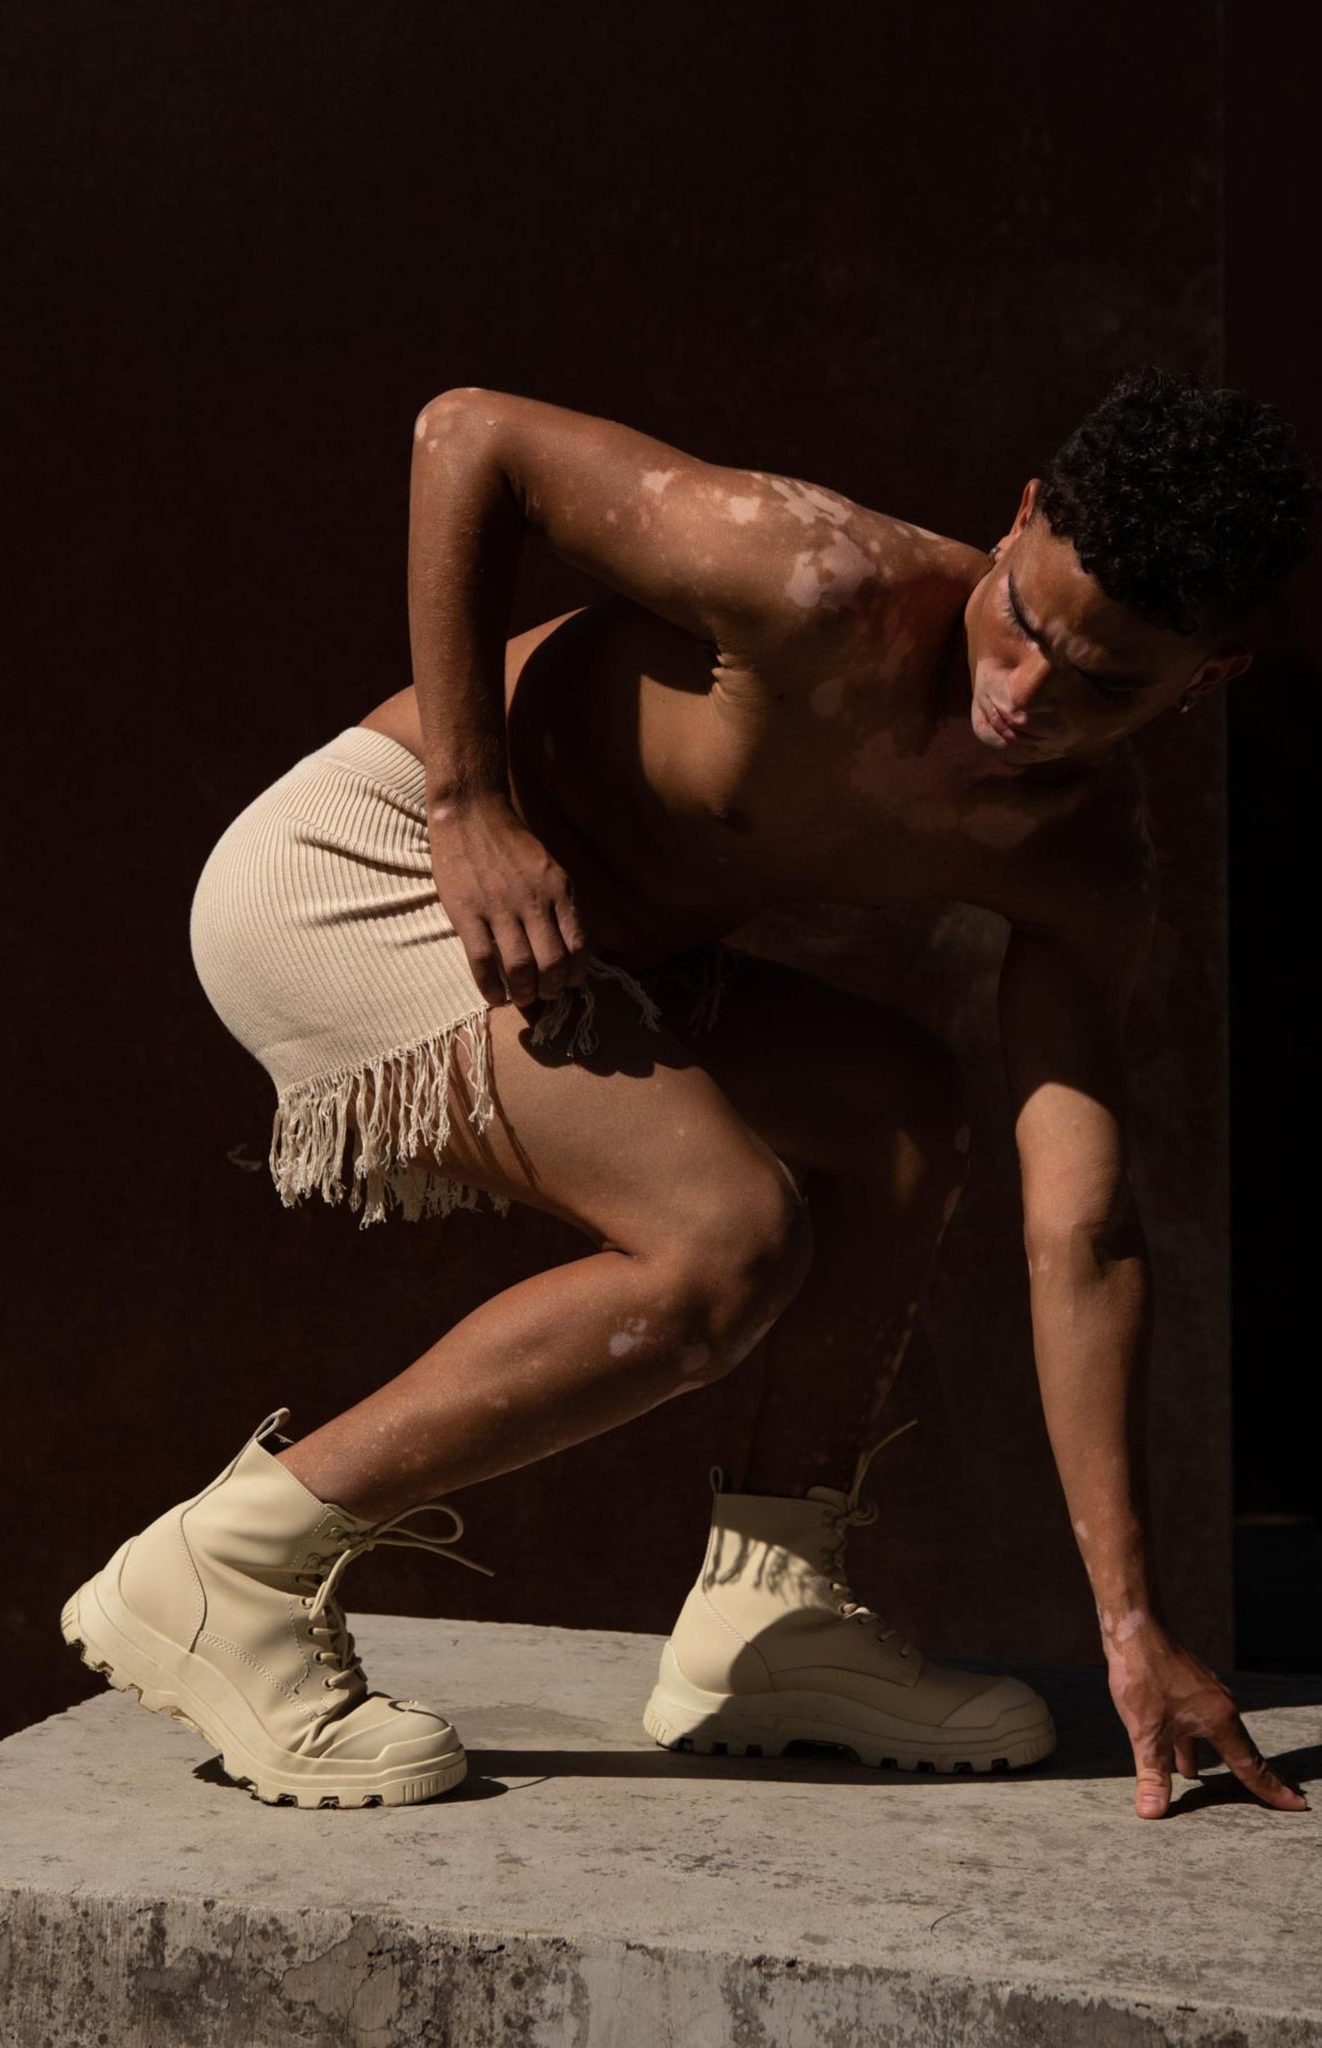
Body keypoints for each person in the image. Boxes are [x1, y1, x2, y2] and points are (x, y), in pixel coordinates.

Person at [64, 366, 1313, 1820]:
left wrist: (1131, 1620)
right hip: (366, 867)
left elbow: (1081, 1232)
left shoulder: (1081, 856)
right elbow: (470, 435)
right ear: (1022, 517)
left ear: (1210, 675)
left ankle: (767, 1617)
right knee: (725, 1240)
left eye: (1107, 684)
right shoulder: (815, 576)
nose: (1024, 695)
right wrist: (472, 804)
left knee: (900, 1116)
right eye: (1024, 623)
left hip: (589, 954)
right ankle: (230, 1564)